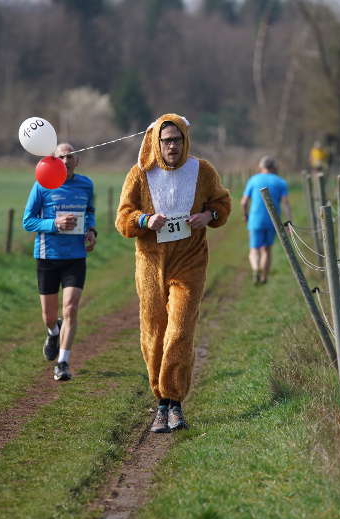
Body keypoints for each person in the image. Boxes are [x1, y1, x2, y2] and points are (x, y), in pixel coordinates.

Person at [116, 113, 231, 433]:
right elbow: (123, 219)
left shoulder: (203, 171)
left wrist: (208, 215)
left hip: (190, 262)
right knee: (154, 331)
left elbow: (222, 204)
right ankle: (160, 399)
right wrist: (144, 221)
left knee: (180, 330)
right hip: (151, 263)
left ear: (185, 141)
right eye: (166, 141)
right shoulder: (140, 174)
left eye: (177, 140)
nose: (172, 147)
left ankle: (174, 401)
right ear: (156, 142)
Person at [23, 142, 97, 382]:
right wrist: (54, 224)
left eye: (70, 156)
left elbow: (90, 212)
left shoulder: (86, 184)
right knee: (49, 315)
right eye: (61, 157)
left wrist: (91, 231)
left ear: (77, 161)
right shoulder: (42, 185)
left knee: (71, 309)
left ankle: (63, 362)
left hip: (75, 257)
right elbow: (28, 221)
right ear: (53, 161)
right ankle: (52, 332)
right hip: (47, 257)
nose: (66, 161)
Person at [241, 156, 291, 285]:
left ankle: (256, 269)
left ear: (261, 167)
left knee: (254, 250)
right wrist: (288, 222)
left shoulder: (253, 179)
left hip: (255, 219)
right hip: (273, 221)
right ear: (274, 167)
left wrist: (245, 215)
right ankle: (264, 277)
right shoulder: (281, 182)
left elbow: (244, 202)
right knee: (267, 250)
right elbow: (285, 204)